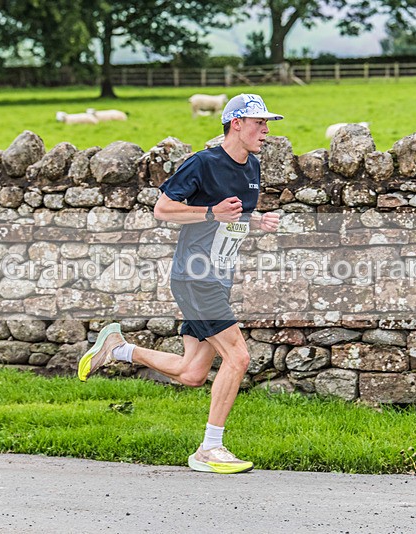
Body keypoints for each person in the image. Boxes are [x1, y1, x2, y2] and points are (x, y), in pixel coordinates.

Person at [77, 93, 283, 474]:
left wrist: (256, 222)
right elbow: (163, 208)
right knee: (238, 358)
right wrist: (210, 211)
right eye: (260, 123)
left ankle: (119, 348)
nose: (266, 130)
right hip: (195, 275)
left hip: (217, 278)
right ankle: (210, 448)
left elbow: (231, 218)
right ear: (236, 123)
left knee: (192, 373)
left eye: (268, 123)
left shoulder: (251, 165)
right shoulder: (203, 163)